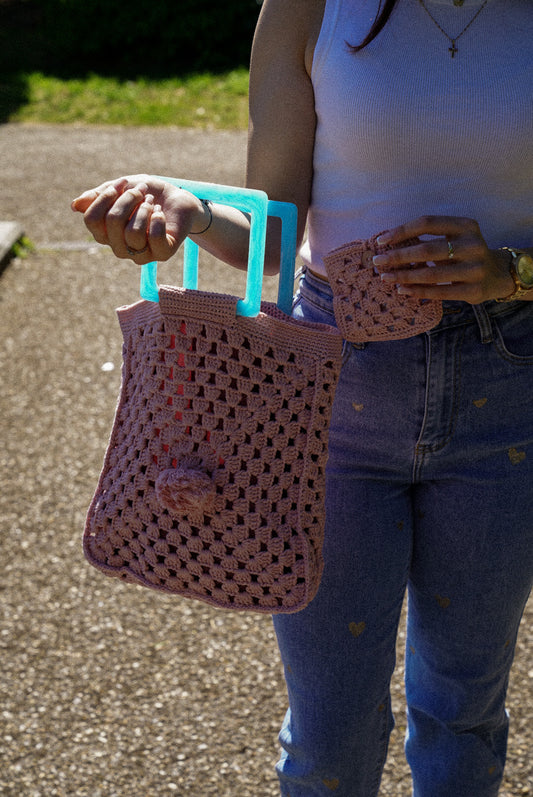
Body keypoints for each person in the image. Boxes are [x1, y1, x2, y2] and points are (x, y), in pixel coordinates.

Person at [72, 0, 533, 794]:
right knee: (329, 730)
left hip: (510, 386)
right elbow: (275, 234)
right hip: (329, 393)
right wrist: (192, 209)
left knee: (463, 713)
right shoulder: (307, 5)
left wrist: (512, 271)